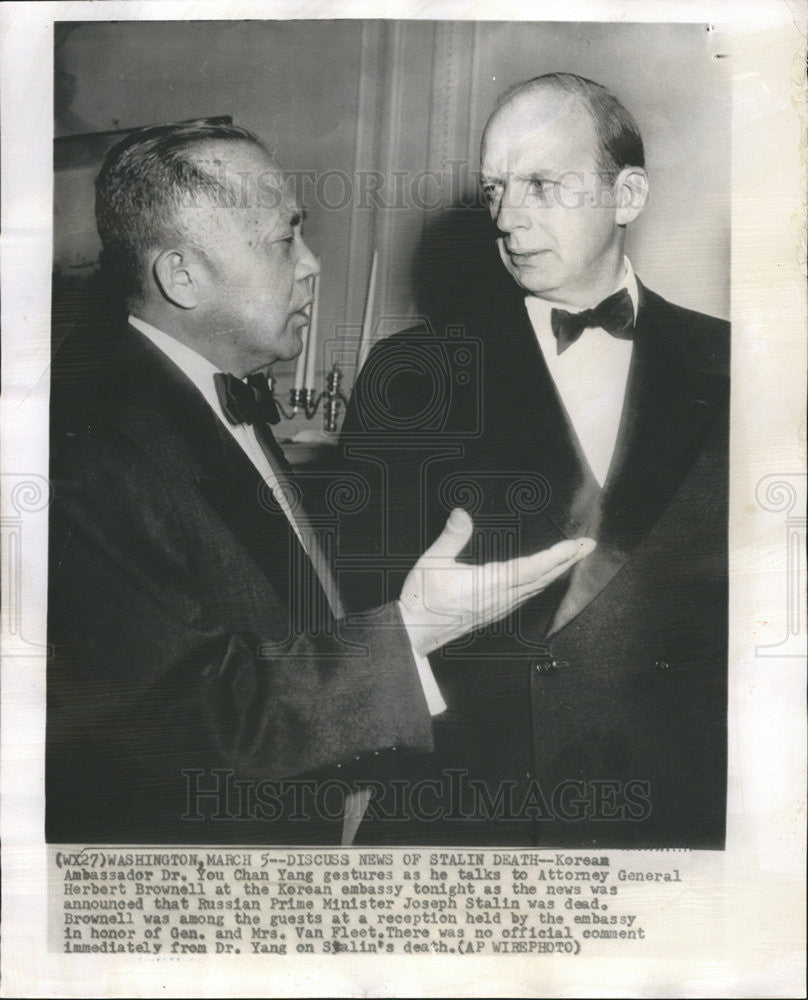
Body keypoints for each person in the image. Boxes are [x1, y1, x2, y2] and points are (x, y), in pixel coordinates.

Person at [45, 119, 594, 846]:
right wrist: (410, 631)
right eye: (283, 240)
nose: (311, 265)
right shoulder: (92, 445)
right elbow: (175, 724)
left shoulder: (209, 394)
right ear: (181, 275)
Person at [340, 73, 729, 848]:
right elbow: (354, 611)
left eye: (542, 185)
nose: (508, 221)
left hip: (673, 815)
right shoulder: (409, 374)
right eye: (495, 190)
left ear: (628, 196)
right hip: (466, 812)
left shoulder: (739, 367)